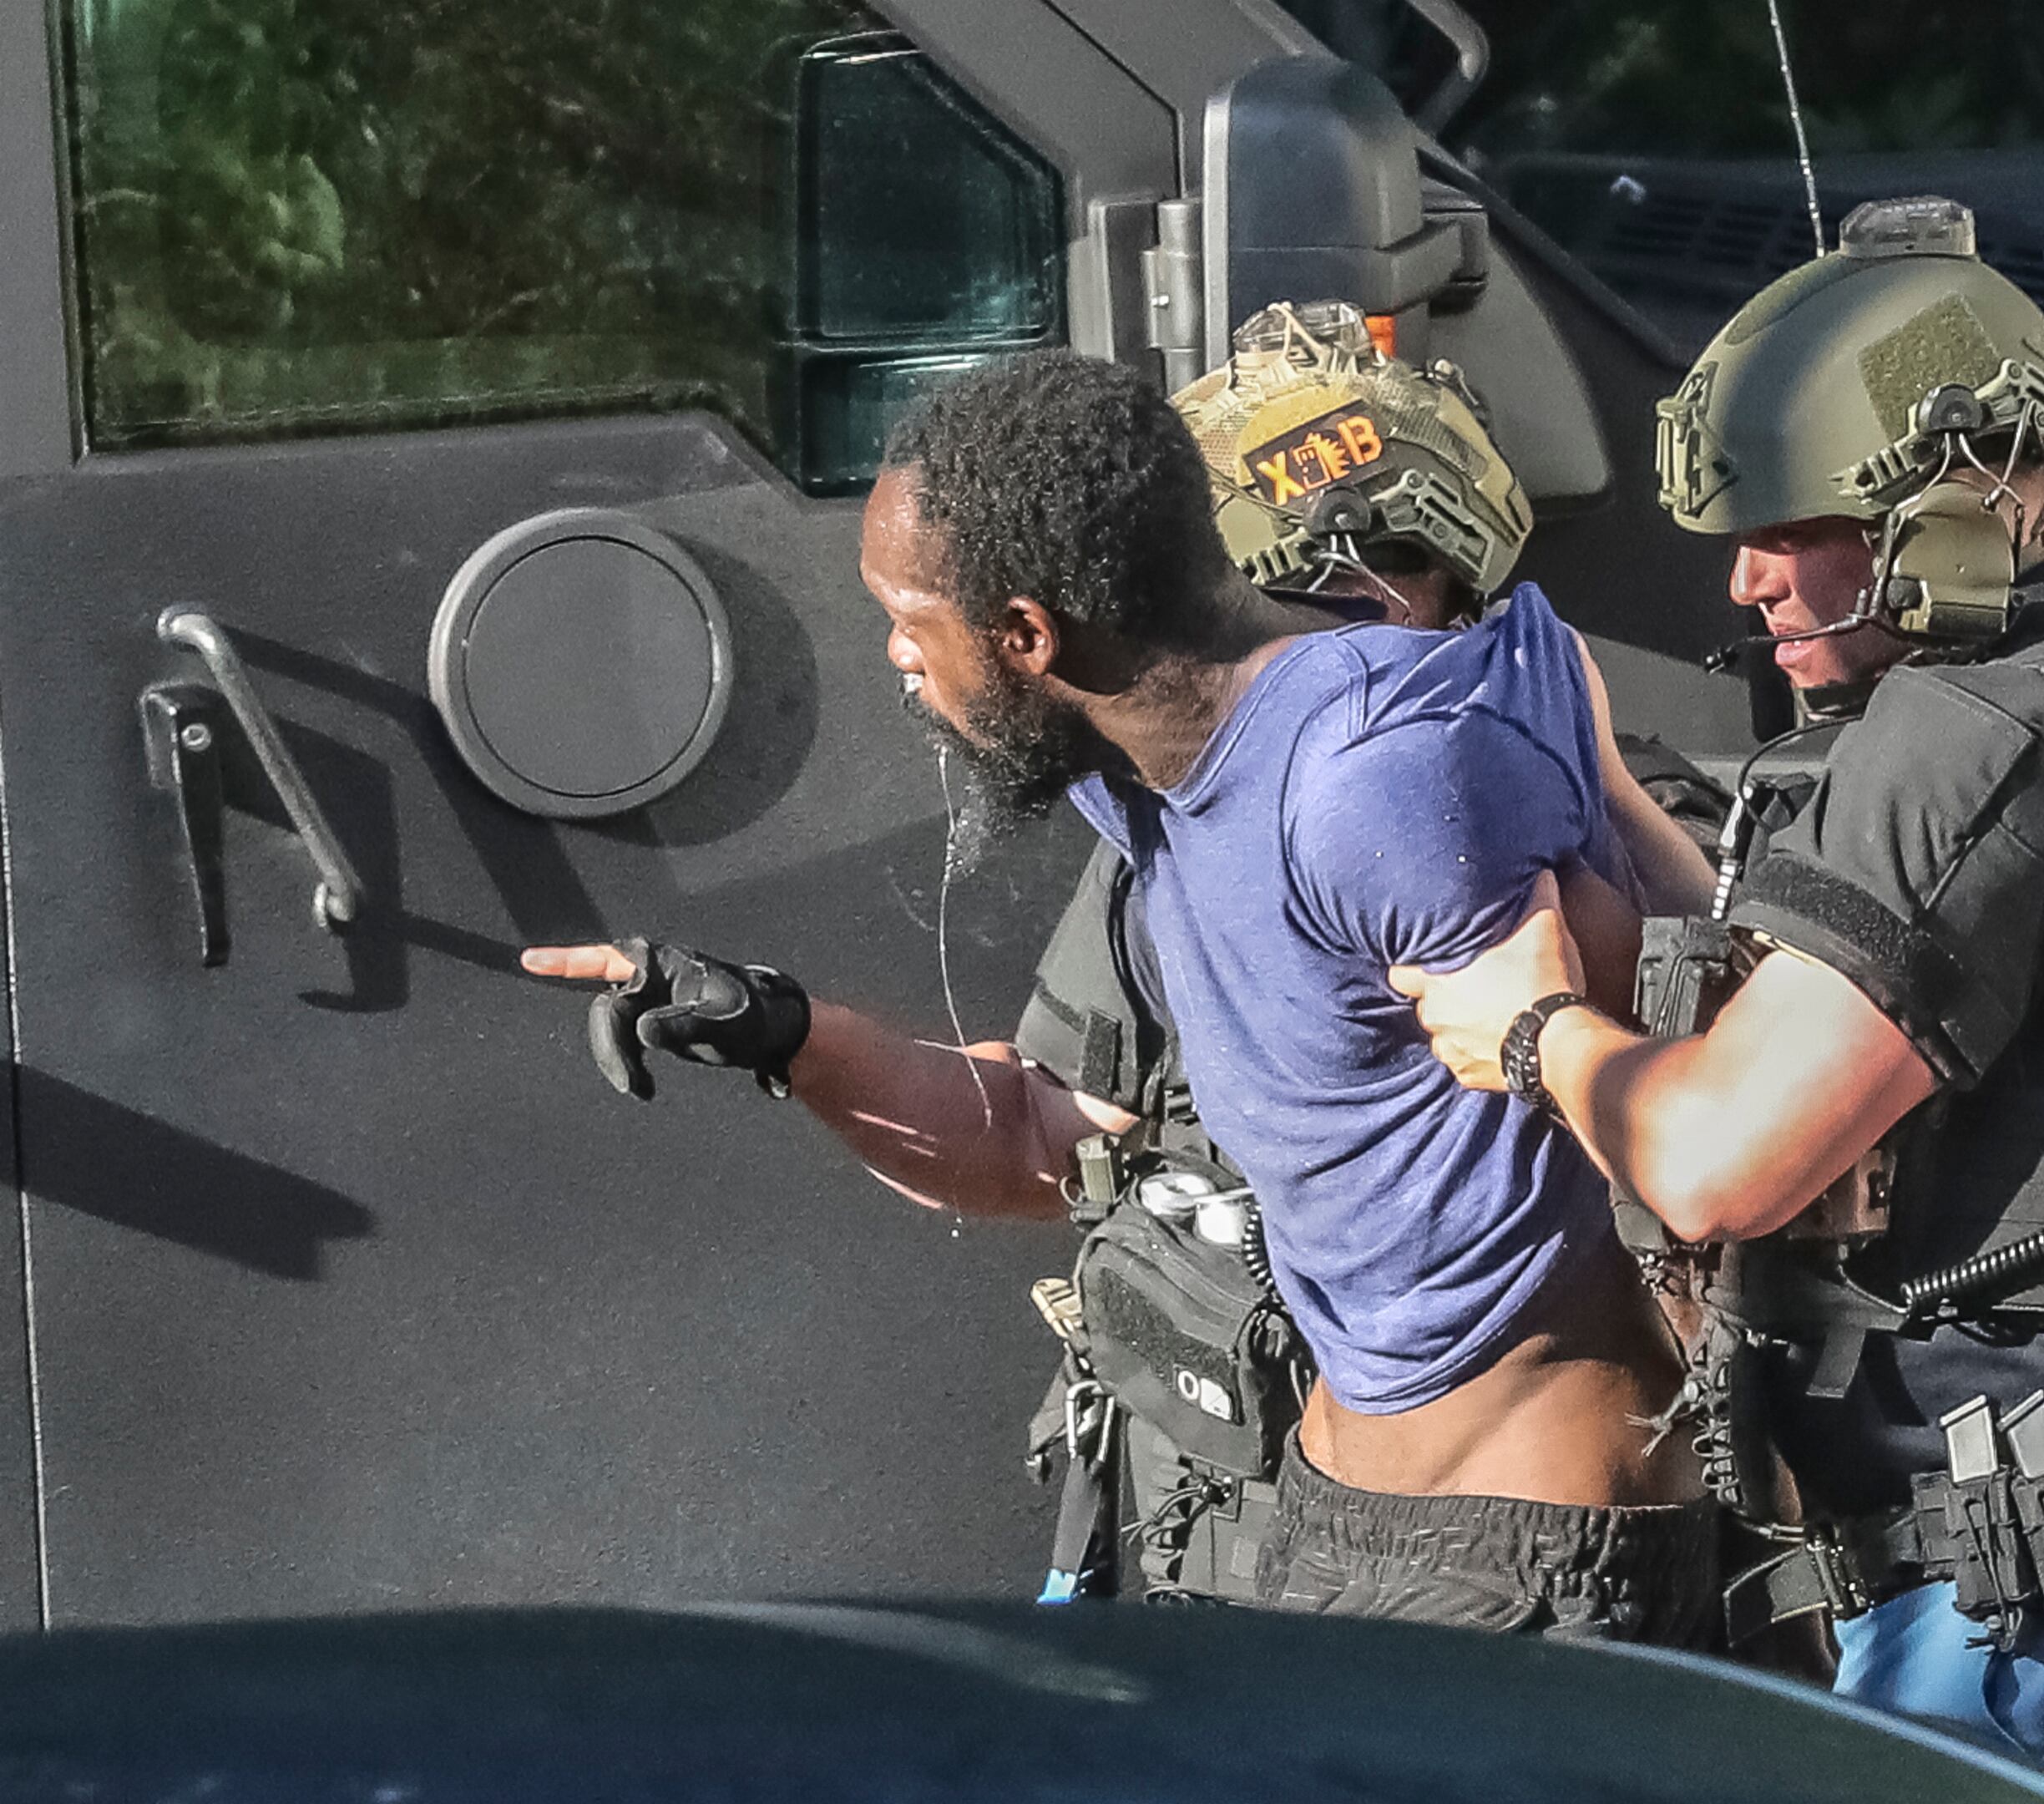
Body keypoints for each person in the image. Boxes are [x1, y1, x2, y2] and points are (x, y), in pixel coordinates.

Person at [1394, 199, 2044, 1795]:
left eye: (1794, 526)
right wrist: (1603, 776)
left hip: (2032, 1622)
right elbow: (1839, 998)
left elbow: (1721, 1161)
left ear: (1973, 489)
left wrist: (1537, 1034)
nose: (1749, 581)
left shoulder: (1974, 734)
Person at [526, 342, 1719, 1644]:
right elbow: (1037, 1140)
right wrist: (783, 1033)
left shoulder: (1377, 782)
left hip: (1523, 1558)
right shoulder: (1149, 790)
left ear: (1032, 634)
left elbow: (1685, 1160)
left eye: (911, 620)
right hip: (1330, 1525)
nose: (895, 662)